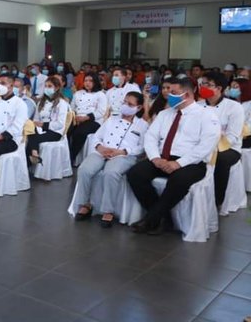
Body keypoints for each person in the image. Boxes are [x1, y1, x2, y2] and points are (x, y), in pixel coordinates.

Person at [126, 78, 221, 235]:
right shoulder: (165, 114)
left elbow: (206, 145)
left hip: (191, 162)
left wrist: (179, 163)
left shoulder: (206, 115)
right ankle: (163, 219)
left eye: (174, 93)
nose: (169, 95)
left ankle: (151, 219)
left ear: (187, 95)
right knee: (135, 173)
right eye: (169, 92)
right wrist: (156, 158)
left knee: (178, 181)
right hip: (162, 158)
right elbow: (150, 137)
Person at [73, 92, 148, 227]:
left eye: (130, 104)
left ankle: (108, 210)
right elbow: (96, 136)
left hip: (124, 156)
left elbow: (142, 147)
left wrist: (122, 151)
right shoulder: (112, 119)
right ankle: (85, 204)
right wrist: (100, 147)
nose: (126, 106)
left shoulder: (142, 125)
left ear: (139, 107)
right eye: (124, 102)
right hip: (102, 151)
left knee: (110, 173)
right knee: (84, 169)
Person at [199, 72, 244, 208]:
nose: (204, 87)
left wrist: (211, 148)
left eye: (208, 84)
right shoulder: (198, 106)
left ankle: (217, 200)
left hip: (228, 148)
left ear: (219, 88)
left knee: (221, 160)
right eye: (202, 84)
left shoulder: (234, 107)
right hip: (201, 145)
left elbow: (232, 136)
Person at [0, 73, 29, 196]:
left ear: (11, 86)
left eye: (3, 83)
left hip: (11, 139)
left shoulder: (19, 104)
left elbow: (17, 126)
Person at [26, 76, 70, 165]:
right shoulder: (41, 102)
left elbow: (60, 124)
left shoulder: (62, 103)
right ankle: (34, 155)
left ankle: (32, 157)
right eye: (45, 86)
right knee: (29, 130)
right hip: (40, 128)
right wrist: (36, 124)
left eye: (50, 86)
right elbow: (36, 118)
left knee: (32, 138)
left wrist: (43, 125)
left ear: (57, 88)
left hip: (55, 131)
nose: (47, 88)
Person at [69, 72, 107, 163]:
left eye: (90, 81)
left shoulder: (100, 94)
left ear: (95, 82)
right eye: (86, 80)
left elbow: (101, 111)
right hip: (77, 119)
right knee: (67, 131)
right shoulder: (78, 93)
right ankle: (65, 157)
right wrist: (75, 117)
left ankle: (71, 157)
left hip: (93, 120)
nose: (87, 83)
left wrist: (85, 118)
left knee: (79, 133)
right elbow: (72, 107)